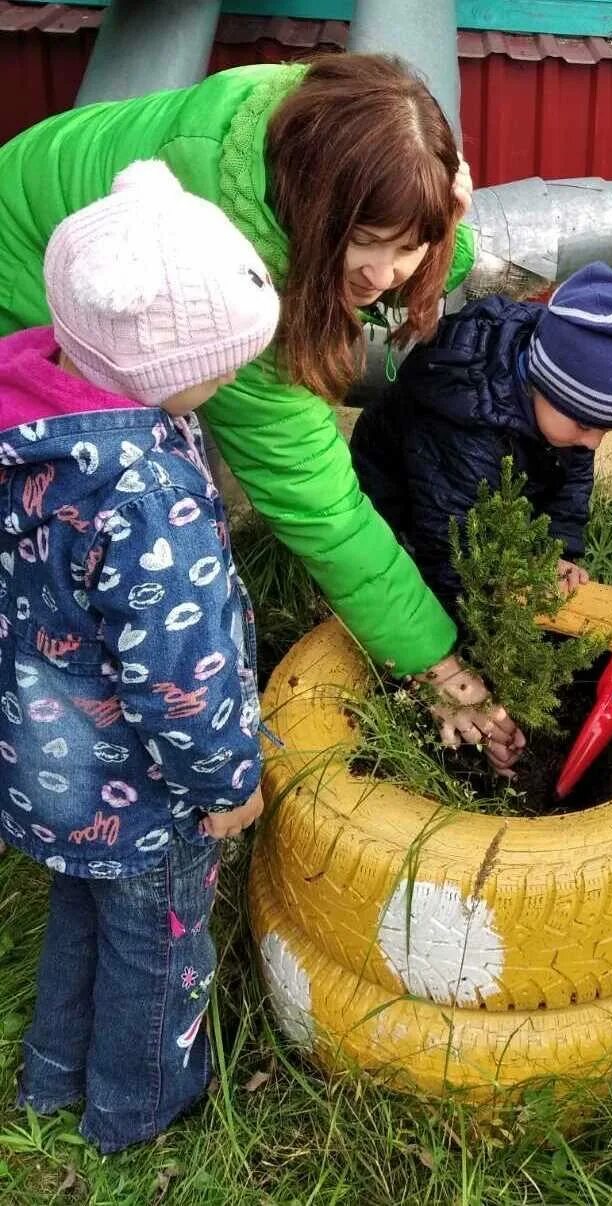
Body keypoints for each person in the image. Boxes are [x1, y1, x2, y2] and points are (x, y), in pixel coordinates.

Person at [0, 52, 522, 769]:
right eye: (360, 245)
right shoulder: (223, 283)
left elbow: (403, 249)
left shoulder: (317, 122)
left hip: (51, 175)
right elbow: (318, 502)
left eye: (405, 246)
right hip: (25, 263)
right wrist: (438, 666)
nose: (382, 276)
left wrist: (442, 233)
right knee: (80, 502)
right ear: (311, 215)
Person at [0, 160, 280, 1152]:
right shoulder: (144, 483)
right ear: (150, 358)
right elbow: (176, 668)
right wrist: (225, 780)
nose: (237, 374)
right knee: (157, 946)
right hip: (146, 782)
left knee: (81, 911)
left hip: (50, 763)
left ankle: (51, 1083)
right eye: (224, 360)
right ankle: (137, 1115)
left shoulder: (37, 430)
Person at [352, 262, 612, 614]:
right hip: (397, 486)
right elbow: (448, 541)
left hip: (476, 473)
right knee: (400, 569)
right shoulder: (463, 421)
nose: (593, 443)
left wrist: (556, 553)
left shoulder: (560, 396)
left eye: (605, 430)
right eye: (586, 426)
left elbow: (571, 479)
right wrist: (472, 619)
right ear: (543, 384)